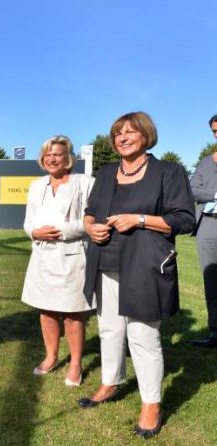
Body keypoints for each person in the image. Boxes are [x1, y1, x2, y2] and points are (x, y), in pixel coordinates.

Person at [79, 112, 195, 439]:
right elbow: (90, 213)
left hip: (145, 264)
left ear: (146, 135)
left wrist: (139, 219)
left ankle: (151, 404)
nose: (123, 137)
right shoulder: (104, 174)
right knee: (110, 330)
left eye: (130, 132)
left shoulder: (167, 172)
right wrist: (91, 227)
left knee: (142, 337)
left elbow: (184, 220)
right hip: (106, 263)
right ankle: (111, 382)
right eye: (117, 133)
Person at [21, 135, 95, 386]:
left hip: (72, 257)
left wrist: (62, 231)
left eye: (57, 154)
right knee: (46, 310)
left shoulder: (85, 183)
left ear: (68, 158)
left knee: (73, 314)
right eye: (48, 155)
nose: (52, 158)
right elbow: (28, 221)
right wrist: (34, 232)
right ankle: (51, 357)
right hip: (42, 257)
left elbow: (90, 222)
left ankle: (75, 365)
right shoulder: (36, 185)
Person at [189, 114, 217, 348]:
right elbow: (192, 190)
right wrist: (215, 195)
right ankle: (215, 333)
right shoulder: (206, 163)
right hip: (208, 225)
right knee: (211, 281)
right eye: (215, 131)